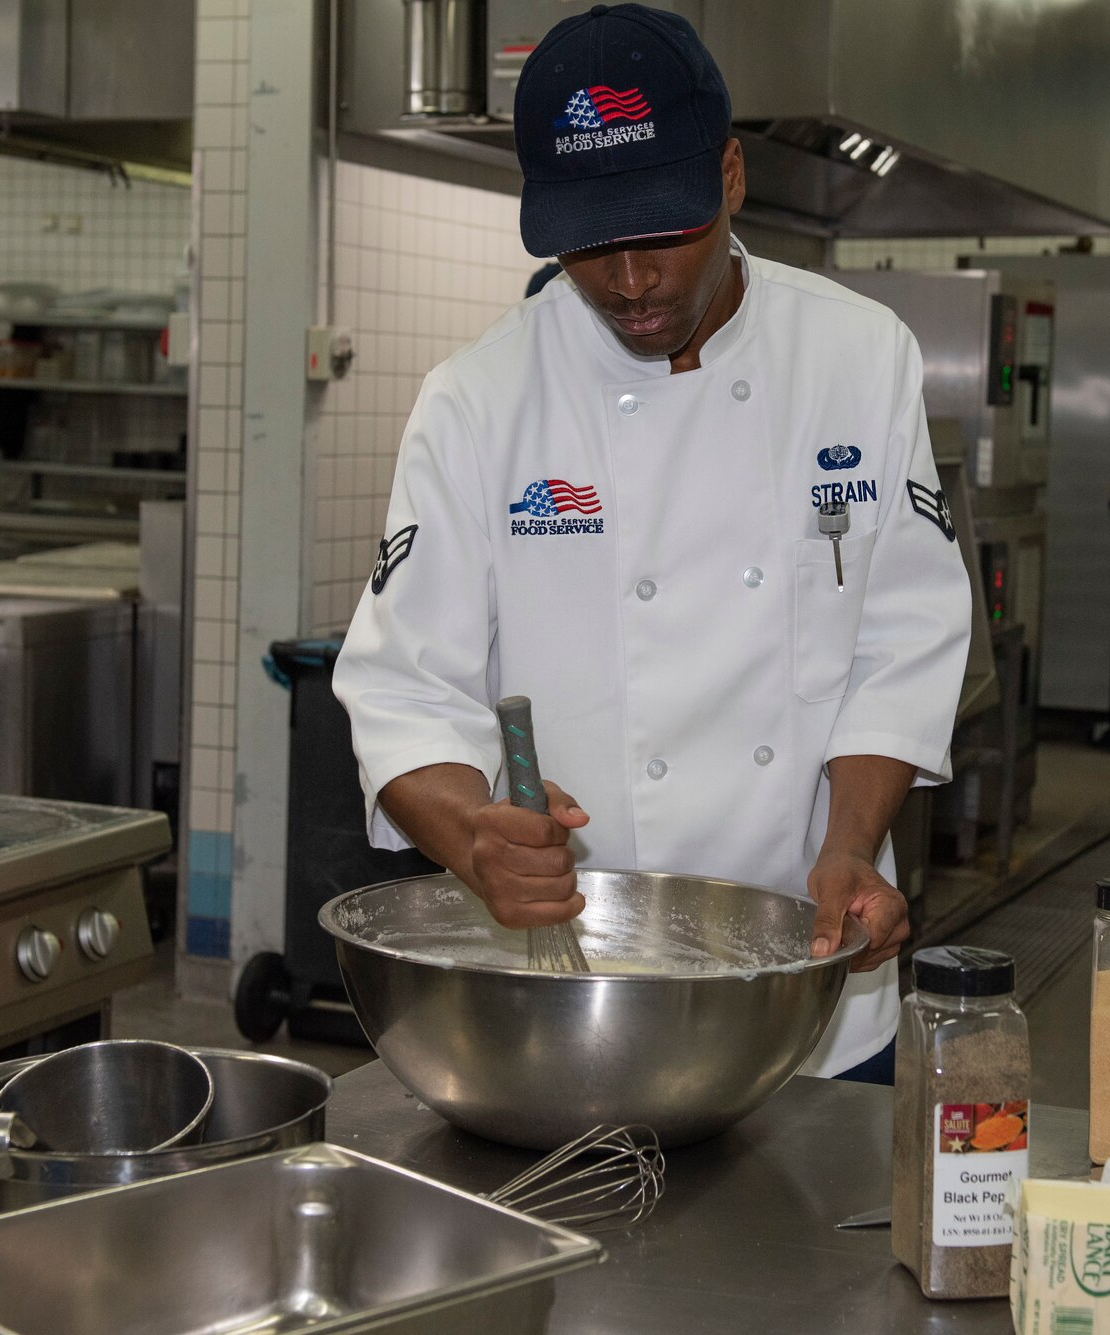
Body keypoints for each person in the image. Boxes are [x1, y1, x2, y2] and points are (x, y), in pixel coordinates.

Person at [333, 4, 971, 1084]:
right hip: (577, 991)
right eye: (591, 242)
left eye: (660, 231)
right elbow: (405, 691)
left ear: (728, 178)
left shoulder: (858, 358)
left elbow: (902, 639)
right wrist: (472, 840)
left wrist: (850, 844)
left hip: (809, 978)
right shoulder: (478, 400)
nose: (630, 281)